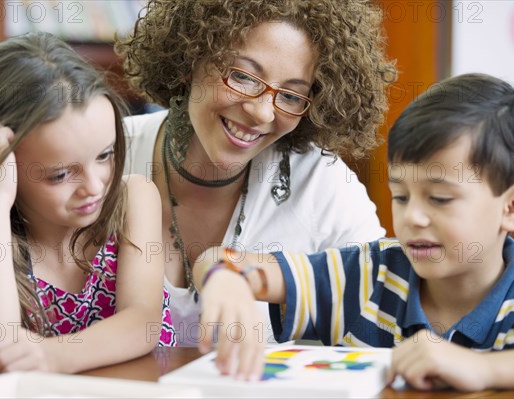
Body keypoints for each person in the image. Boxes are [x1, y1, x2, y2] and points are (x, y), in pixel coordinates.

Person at [193, 73, 514, 390]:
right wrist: (227, 279)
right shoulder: (364, 276)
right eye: (401, 196)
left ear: (512, 209)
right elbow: (223, 260)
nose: (413, 217)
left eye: (439, 198)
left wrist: (484, 369)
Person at [116, 0, 395, 346]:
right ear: (190, 57)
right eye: (244, 77)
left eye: (292, 96)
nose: (263, 113)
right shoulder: (108, 155)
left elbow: (383, 314)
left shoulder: (324, 185)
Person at [0, 32, 175, 376]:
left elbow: (142, 322)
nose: (95, 186)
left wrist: (54, 356)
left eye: (105, 155)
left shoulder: (133, 200)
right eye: (61, 175)